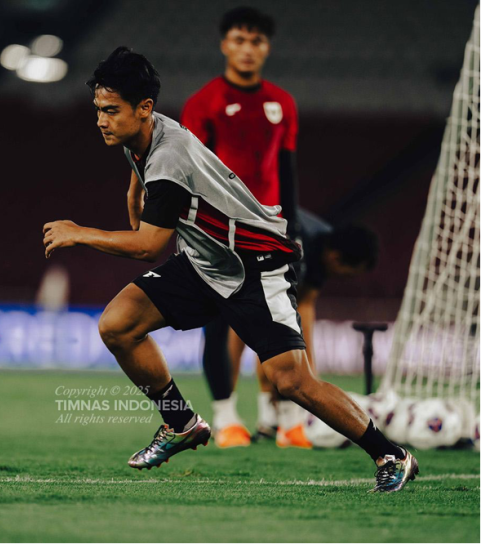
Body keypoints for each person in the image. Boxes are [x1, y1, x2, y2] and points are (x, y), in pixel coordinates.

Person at [43, 46, 418, 492]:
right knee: (118, 325)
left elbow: (147, 247)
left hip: (254, 266)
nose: (101, 120)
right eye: (98, 110)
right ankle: (181, 423)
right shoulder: (143, 135)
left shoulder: (169, 158)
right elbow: (143, 184)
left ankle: (391, 454)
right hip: (206, 261)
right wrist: (133, 191)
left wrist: (79, 232)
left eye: (111, 111)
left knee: (292, 381)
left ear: (144, 108)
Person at [180, 6, 302, 448]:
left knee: (278, 319)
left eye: (256, 41)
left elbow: (286, 170)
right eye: (239, 40)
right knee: (218, 320)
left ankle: (283, 418)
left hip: (268, 229)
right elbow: (190, 170)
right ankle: (226, 417)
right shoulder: (204, 102)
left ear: (267, 48)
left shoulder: (283, 103)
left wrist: (292, 228)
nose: (247, 49)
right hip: (218, 229)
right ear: (224, 45)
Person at [250, 212, 380, 445]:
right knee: (265, 337)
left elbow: (304, 307)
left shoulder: (321, 256)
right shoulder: (298, 246)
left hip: (269, 280)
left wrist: (309, 372)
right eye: (349, 273)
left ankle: (277, 422)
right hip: (243, 265)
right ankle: (255, 419)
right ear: (336, 258)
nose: (345, 279)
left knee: (284, 348)